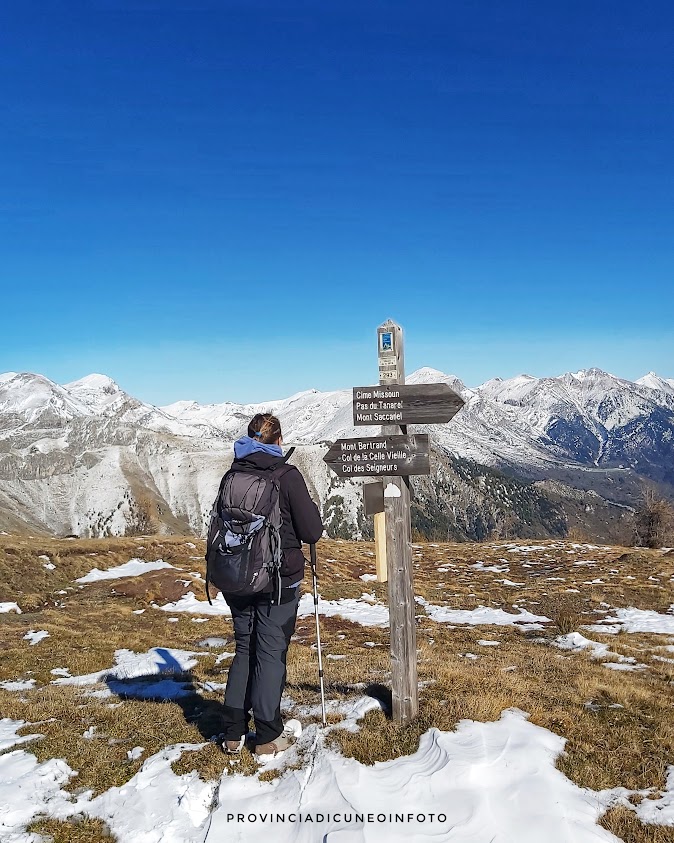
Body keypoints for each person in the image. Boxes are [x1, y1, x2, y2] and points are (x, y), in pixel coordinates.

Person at [220, 412, 323, 759]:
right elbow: (311, 532)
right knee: (270, 652)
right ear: (278, 440)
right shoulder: (287, 475)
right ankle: (267, 736)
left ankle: (233, 733)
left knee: (244, 649)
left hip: (237, 576)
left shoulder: (233, 473)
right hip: (277, 581)